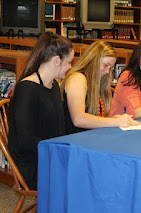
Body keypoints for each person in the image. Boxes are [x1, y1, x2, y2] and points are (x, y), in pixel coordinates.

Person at [8, 32, 74, 190]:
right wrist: (58, 149)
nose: (71, 67)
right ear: (56, 60)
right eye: (69, 62)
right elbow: (25, 140)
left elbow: (59, 128)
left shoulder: (54, 86)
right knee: (82, 177)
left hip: (50, 154)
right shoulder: (27, 89)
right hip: (33, 163)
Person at [60, 41, 140, 134]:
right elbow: (78, 119)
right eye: (106, 65)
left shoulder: (96, 83)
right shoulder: (77, 78)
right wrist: (114, 122)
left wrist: (114, 119)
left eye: (110, 68)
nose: (107, 71)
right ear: (93, 59)